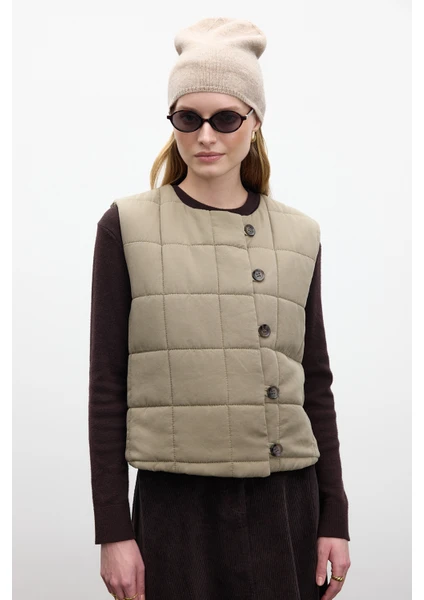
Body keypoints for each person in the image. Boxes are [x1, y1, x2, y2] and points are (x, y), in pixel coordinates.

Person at [88, 16, 351, 600]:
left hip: (284, 502)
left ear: (255, 123)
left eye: (225, 118)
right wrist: (113, 530)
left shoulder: (300, 234)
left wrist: (334, 517)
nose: (206, 136)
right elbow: (106, 382)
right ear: (173, 123)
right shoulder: (126, 225)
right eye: (189, 118)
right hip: (175, 507)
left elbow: (315, 382)